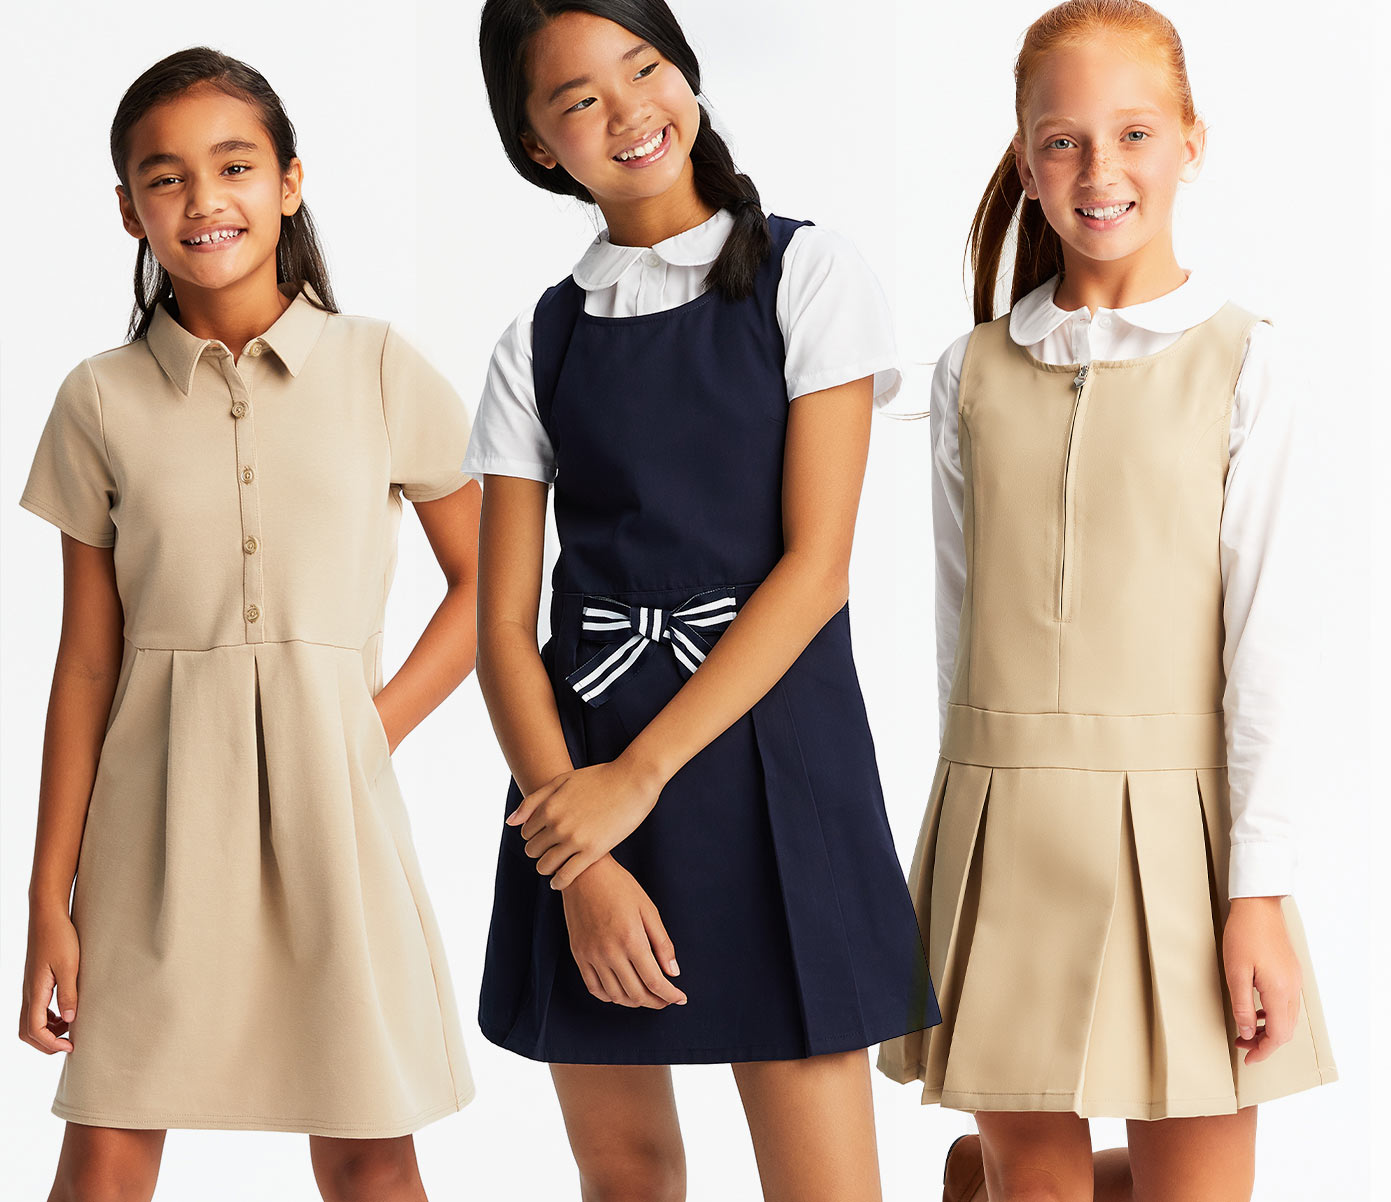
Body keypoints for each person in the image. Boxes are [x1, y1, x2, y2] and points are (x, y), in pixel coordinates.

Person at [467, 2, 937, 1197]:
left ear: (683, 71)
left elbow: (814, 569)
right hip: (580, 785)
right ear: (536, 146)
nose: (626, 111)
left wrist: (638, 778)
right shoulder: (541, 340)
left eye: (643, 67)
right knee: (625, 1171)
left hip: (771, 755)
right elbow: (503, 631)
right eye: (576, 98)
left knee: (819, 1177)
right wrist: (578, 853)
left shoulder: (802, 271)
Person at [875, 3, 1336, 1200]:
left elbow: (1266, 647)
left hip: (1185, 835)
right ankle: (999, 1172)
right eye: (1064, 140)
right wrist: (956, 837)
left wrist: (1258, 892)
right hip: (1002, 813)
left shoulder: (1245, 361)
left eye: (1132, 131)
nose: (1099, 169)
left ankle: (978, 1175)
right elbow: (956, 632)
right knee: (1042, 1187)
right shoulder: (968, 373)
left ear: (1190, 140)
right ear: (1025, 163)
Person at [17, 47, 480, 1202]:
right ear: (129, 208)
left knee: (369, 1148)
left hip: (337, 818)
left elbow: (490, 590)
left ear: (288, 181)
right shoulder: (98, 397)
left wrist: (365, 729)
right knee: (111, 1144)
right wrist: (45, 899)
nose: (201, 198)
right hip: (152, 825)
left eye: (233, 164)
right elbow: (85, 662)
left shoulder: (377, 365)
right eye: (163, 177)